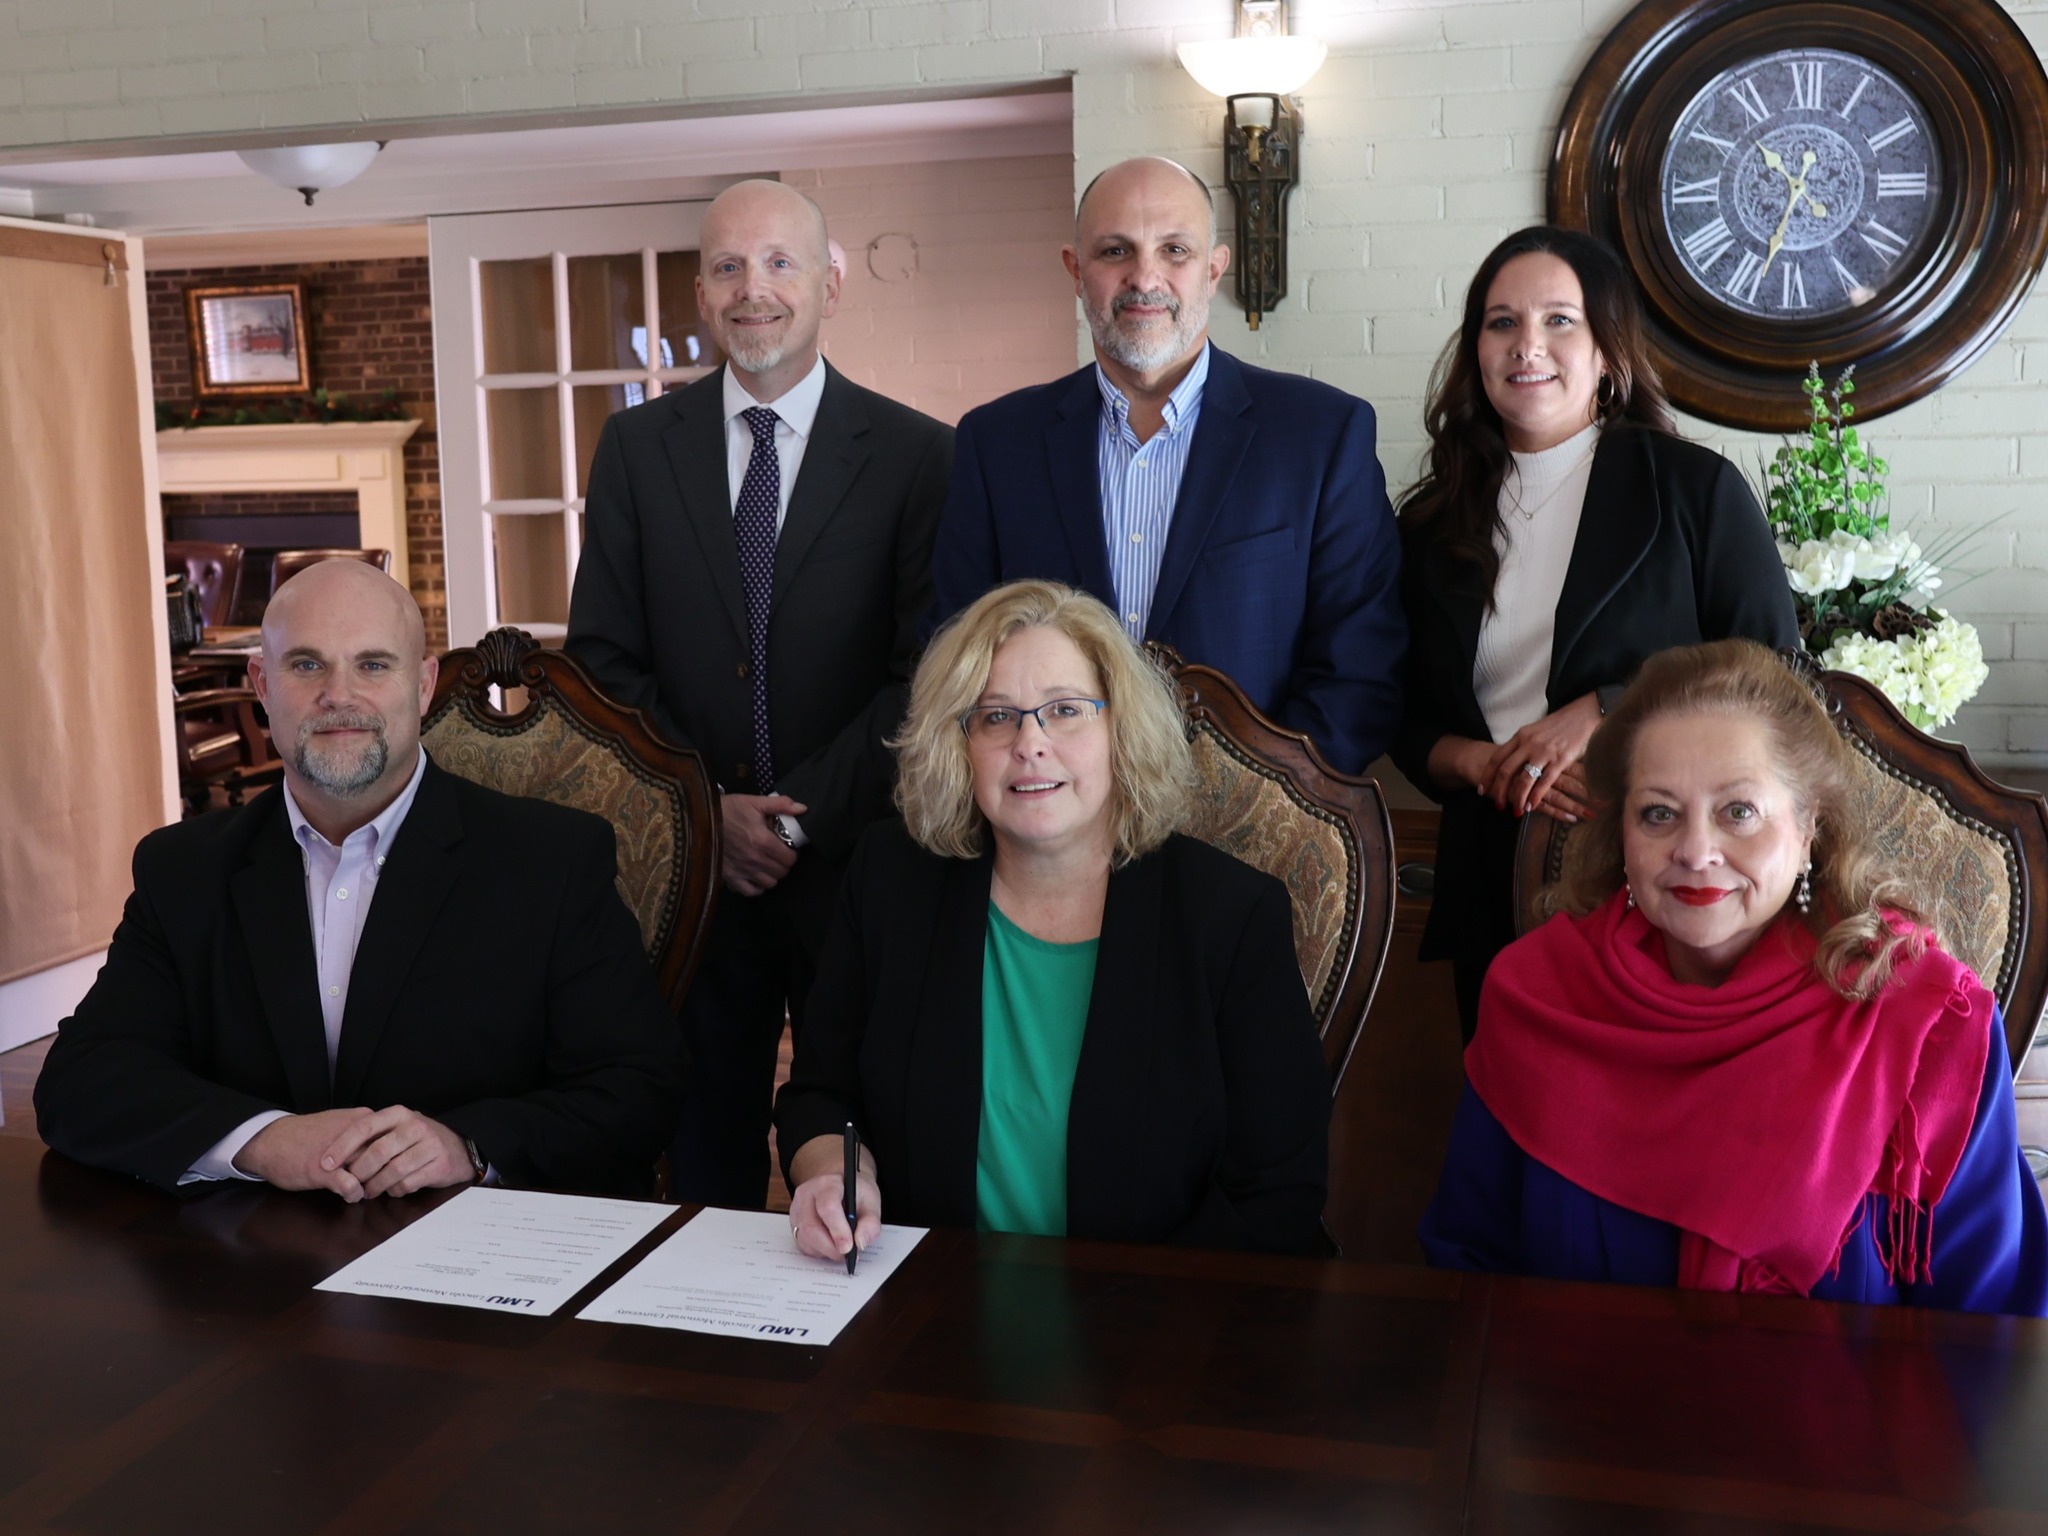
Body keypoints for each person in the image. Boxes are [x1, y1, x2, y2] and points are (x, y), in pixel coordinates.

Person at [1420, 640, 2048, 1315]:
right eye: (1659, 813)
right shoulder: (1536, 995)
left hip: (1849, 1417)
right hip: (1572, 1412)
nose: (1694, 851)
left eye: (1738, 812)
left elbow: (1994, 1322)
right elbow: (1468, 1272)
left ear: (1809, 826)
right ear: (1621, 832)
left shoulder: (1922, 1022)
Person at [36, 560, 677, 1198]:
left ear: (422, 685)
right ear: (262, 683)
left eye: (373, 664)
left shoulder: (550, 860)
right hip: (243, 1268)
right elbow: (81, 1080)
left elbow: (636, 1091)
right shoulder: (182, 869)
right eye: (307, 664)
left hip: (473, 1261)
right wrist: (262, 1140)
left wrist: (469, 1148)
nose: (338, 695)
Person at [566, 179, 954, 1210]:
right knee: (701, 1148)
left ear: (829, 282)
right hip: (690, 875)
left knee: (868, 1137)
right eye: (729, 268)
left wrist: (793, 823)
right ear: (698, 293)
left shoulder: (919, 455)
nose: (754, 290)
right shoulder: (635, 451)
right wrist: (708, 812)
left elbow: (925, 677)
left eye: (780, 263)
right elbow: (605, 664)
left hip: (856, 866)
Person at [774, 580, 1330, 1258]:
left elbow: (1278, 1193)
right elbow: (821, 1096)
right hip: (928, 1310)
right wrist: (836, 1175)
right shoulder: (891, 880)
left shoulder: (1229, 917)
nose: (1030, 743)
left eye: (1065, 711)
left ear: (1119, 730)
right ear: (959, 744)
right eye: (996, 716)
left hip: (1158, 1328)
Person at [1389, 225, 1798, 1042]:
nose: (1525, 345)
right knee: (1519, 1119)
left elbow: (1775, 675)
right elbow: (1400, 714)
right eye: (1501, 322)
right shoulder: (1431, 521)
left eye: (1558, 321)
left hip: (1653, 870)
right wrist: (1486, 764)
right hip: (1490, 873)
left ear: (1608, 350)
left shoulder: (1692, 490)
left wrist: (1607, 709)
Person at [928, 156, 1406, 776]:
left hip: (1254, 838)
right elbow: (956, 656)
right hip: (1046, 825)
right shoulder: (996, 445)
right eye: (1114, 251)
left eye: (1174, 250)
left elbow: (1360, 670)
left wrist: (1256, 808)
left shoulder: (1321, 435)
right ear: (1076, 271)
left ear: (1213, 270)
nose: (1144, 277)